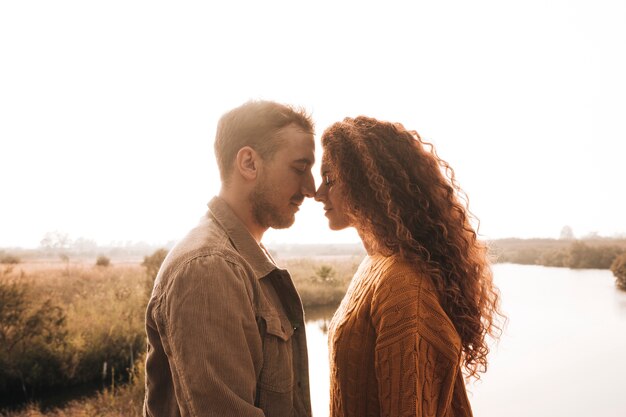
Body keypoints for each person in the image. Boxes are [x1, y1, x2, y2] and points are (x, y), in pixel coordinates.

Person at [314, 116, 503, 417]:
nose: (317, 193)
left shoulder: (402, 284)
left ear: (362, 183)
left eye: (329, 179)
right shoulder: (375, 265)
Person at [144, 100, 316, 417]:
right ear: (249, 163)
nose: (311, 188)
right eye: (299, 168)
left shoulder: (242, 259)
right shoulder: (210, 268)